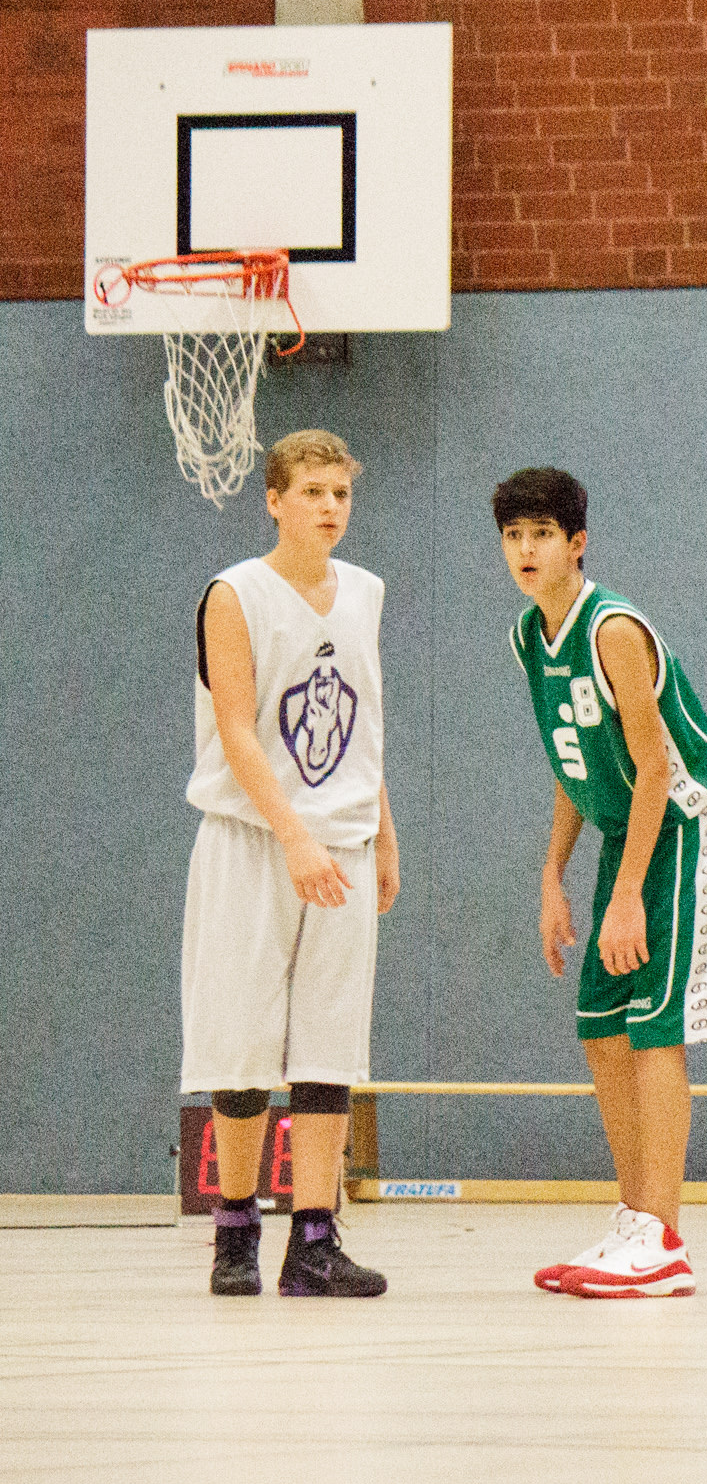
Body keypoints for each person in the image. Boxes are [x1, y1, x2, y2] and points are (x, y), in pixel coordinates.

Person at [496, 466, 707, 1297]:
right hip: (625, 837)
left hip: (682, 827)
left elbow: (652, 767)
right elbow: (571, 760)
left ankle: (663, 1238)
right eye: (513, 535)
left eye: (542, 533)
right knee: (601, 1026)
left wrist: (630, 891)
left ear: (577, 543)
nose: (526, 549)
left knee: (654, 1029)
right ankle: (635, 1221)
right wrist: (551, 874)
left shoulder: (612, 630)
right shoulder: (529, 637)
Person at [182, 429, 400, 1297]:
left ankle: (314, 1242)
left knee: (328, 1044)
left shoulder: (367, 592)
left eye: (340, 492)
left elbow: (366, 724)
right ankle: (234, 1230)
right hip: (252, 839)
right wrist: (294, 835)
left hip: (341, 842)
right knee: (240, 1042)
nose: (329, 507)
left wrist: (382, 831)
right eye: (312, 491)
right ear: (273, 500)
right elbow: (237, 729)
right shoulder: (234, 592)